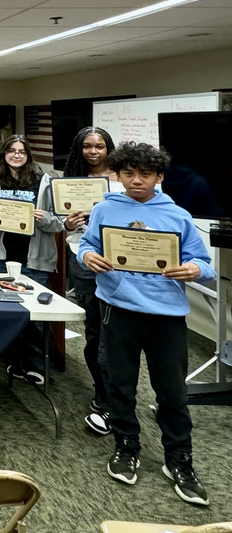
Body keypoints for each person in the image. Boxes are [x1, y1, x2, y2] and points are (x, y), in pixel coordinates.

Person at [79, 142, 214, 506]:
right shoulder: (105, 209)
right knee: (119, 384)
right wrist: (89, 255)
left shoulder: (178, 215)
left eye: (145, 174)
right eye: (128, 174)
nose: (136, 181)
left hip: (166, 316)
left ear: (159, 177)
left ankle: (179, 459)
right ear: (119, 175)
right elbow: (85, 246)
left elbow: (205, 263)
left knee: (171, 391)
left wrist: (195, 269)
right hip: (118, 309)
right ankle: (126, 446)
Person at [0, 135, 63, 384]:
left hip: (35, 257)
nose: (16, 155)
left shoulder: (44, 181)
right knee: (7, 313)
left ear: (28, 155)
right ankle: (15, 362)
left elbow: (58, 222)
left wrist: (42, 218)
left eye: (22, 152)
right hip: (1, 256)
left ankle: (37, 365)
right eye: (11, 151)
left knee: (35, 316)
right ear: (3, 154)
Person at [61, 127, 120, 435]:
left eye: (99, 146)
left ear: (108, 148)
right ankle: (102, 393)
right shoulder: (71, 179)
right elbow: (62, 222)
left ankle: (116, 395)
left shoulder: (122, 180)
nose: (93, 151)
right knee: (94, 331)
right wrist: (66, 222)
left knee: (116, 334)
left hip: (118, 264)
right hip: (83, 260)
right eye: (87, 146)